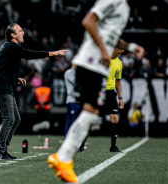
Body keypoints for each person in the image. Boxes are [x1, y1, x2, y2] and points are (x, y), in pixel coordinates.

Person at [47, 0, 145, 183]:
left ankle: (62, 157)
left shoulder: (125, 8)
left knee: (91, 112)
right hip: (89, 61)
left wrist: (131, 48)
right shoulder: (113, 0)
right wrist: (102, 49)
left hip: (97, 66)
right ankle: (63, 158)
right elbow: (88, 21)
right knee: (90, 111)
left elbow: (110, 37)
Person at [0, 23, 67, 160]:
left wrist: (15, 78)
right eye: (20, 31)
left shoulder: (9, 48)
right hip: (3, 88)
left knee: (16, 119)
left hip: (6, 86)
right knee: (9, 119)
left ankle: (3, 150)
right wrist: (53, 53)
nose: (23, 33)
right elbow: (30, 54)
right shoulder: (11, 46)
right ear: (13, 35)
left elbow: (3, 67)